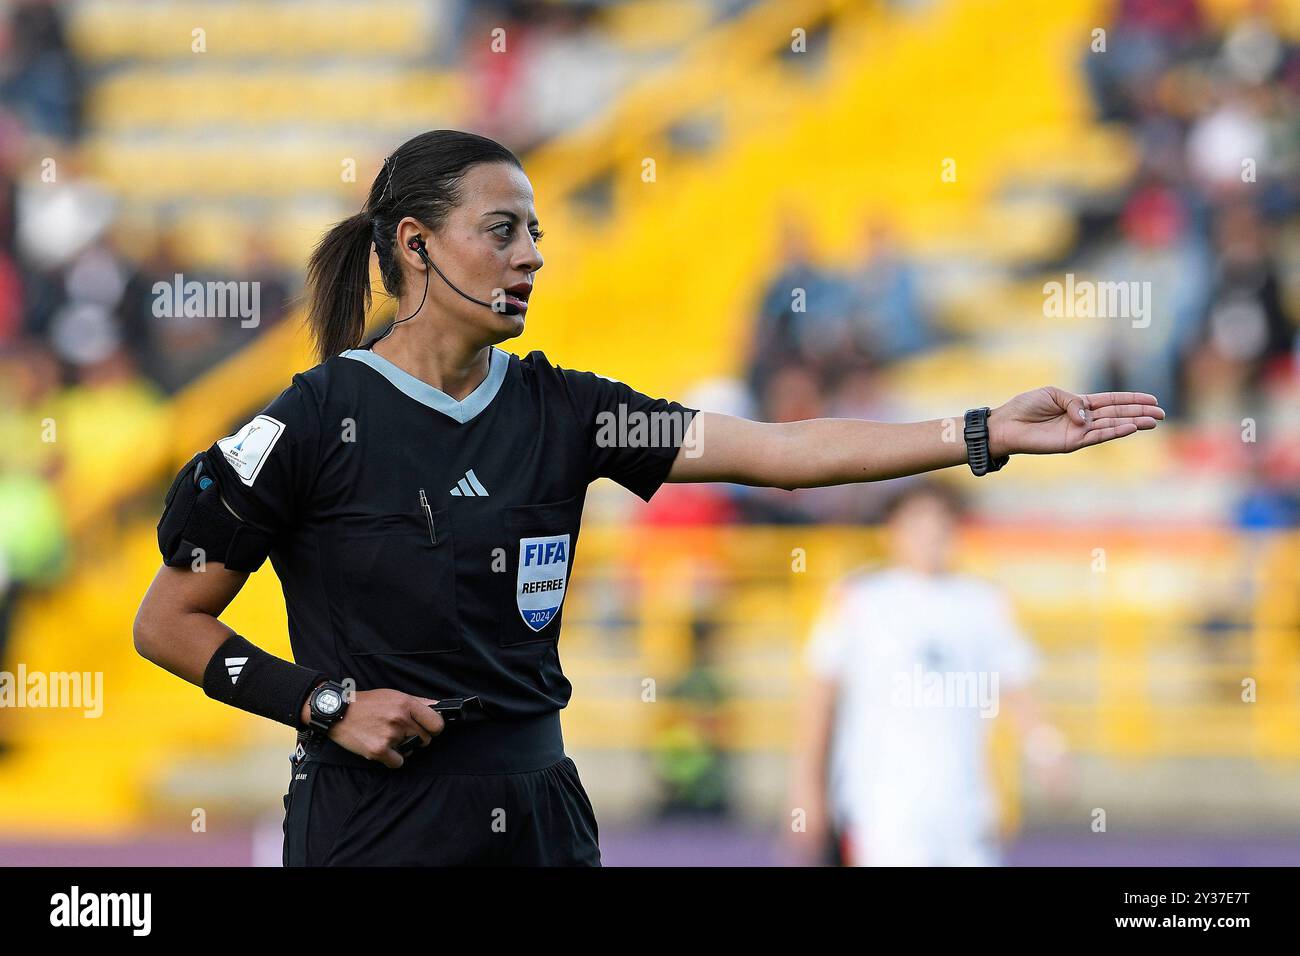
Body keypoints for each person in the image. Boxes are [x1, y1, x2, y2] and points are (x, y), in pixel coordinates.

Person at [132, 129, 1164, 867]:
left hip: (540, 811)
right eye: (501, 229)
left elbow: (781, 450)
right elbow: (168, 619)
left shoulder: (572, 412)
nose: (532, 252)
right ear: (413, 244)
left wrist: (979, 430)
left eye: (536, 229)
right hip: (370, 823)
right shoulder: (312, 419)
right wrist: (323, 704)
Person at [789, 481, 1072, 867]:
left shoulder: (983, 602)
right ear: (892, 531)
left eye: (941, 523)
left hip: (965, 804)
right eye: (917, 522)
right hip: (881, 805)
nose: (930, 535)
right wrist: (807, 790)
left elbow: (1017, 687)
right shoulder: (859, 598)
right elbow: (820, 700)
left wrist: (1045, 750)